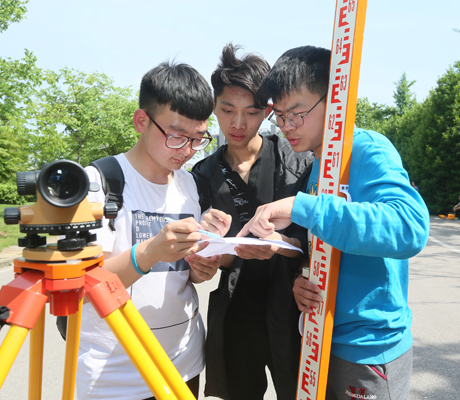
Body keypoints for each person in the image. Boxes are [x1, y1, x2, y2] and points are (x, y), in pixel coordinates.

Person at [238, 46, 430, 400]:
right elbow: (330, 243)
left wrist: (303, 206)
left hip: (368, 347)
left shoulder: (367, 149)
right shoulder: (318, 167)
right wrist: (304, 278)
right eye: (280, 116)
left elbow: (409, 227)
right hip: (321, 336)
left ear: (335, 100)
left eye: (297, 114)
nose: (287, 127)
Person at [76, 61, 231, 400]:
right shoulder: (99, 183)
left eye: (198, 139)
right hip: (115, 376)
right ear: (141, 121)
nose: (187, 150)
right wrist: (149, 252)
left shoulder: (192, 186)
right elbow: (82, 286)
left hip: (183, 365)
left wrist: (201, 267)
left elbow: (184, 277)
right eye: (176, 136)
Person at [191, 43, 313, 400]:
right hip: (236, 311)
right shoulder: (203, 175)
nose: (238, 123)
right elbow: (212, 261)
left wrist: (282, 245)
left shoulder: (297, 161)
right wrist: (212, 249)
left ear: (268, 111)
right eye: (227, 110)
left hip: (292, 308)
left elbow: (316, 239)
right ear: (214, 107)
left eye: (252, 112)